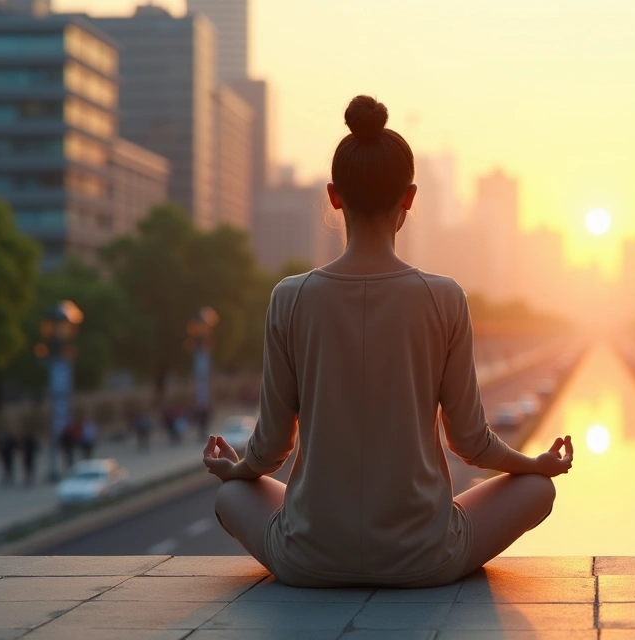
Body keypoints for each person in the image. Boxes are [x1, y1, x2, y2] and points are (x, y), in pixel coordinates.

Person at [203, 96, 573, 589]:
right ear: (410, 197)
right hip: (424, 559)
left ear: (334, 196)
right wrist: (535, 463)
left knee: (230, 496)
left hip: (306, 558)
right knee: (537, 491)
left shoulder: (289, 298)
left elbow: (271, 450)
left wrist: (238, 468)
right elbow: (471, 443)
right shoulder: (444, 297)